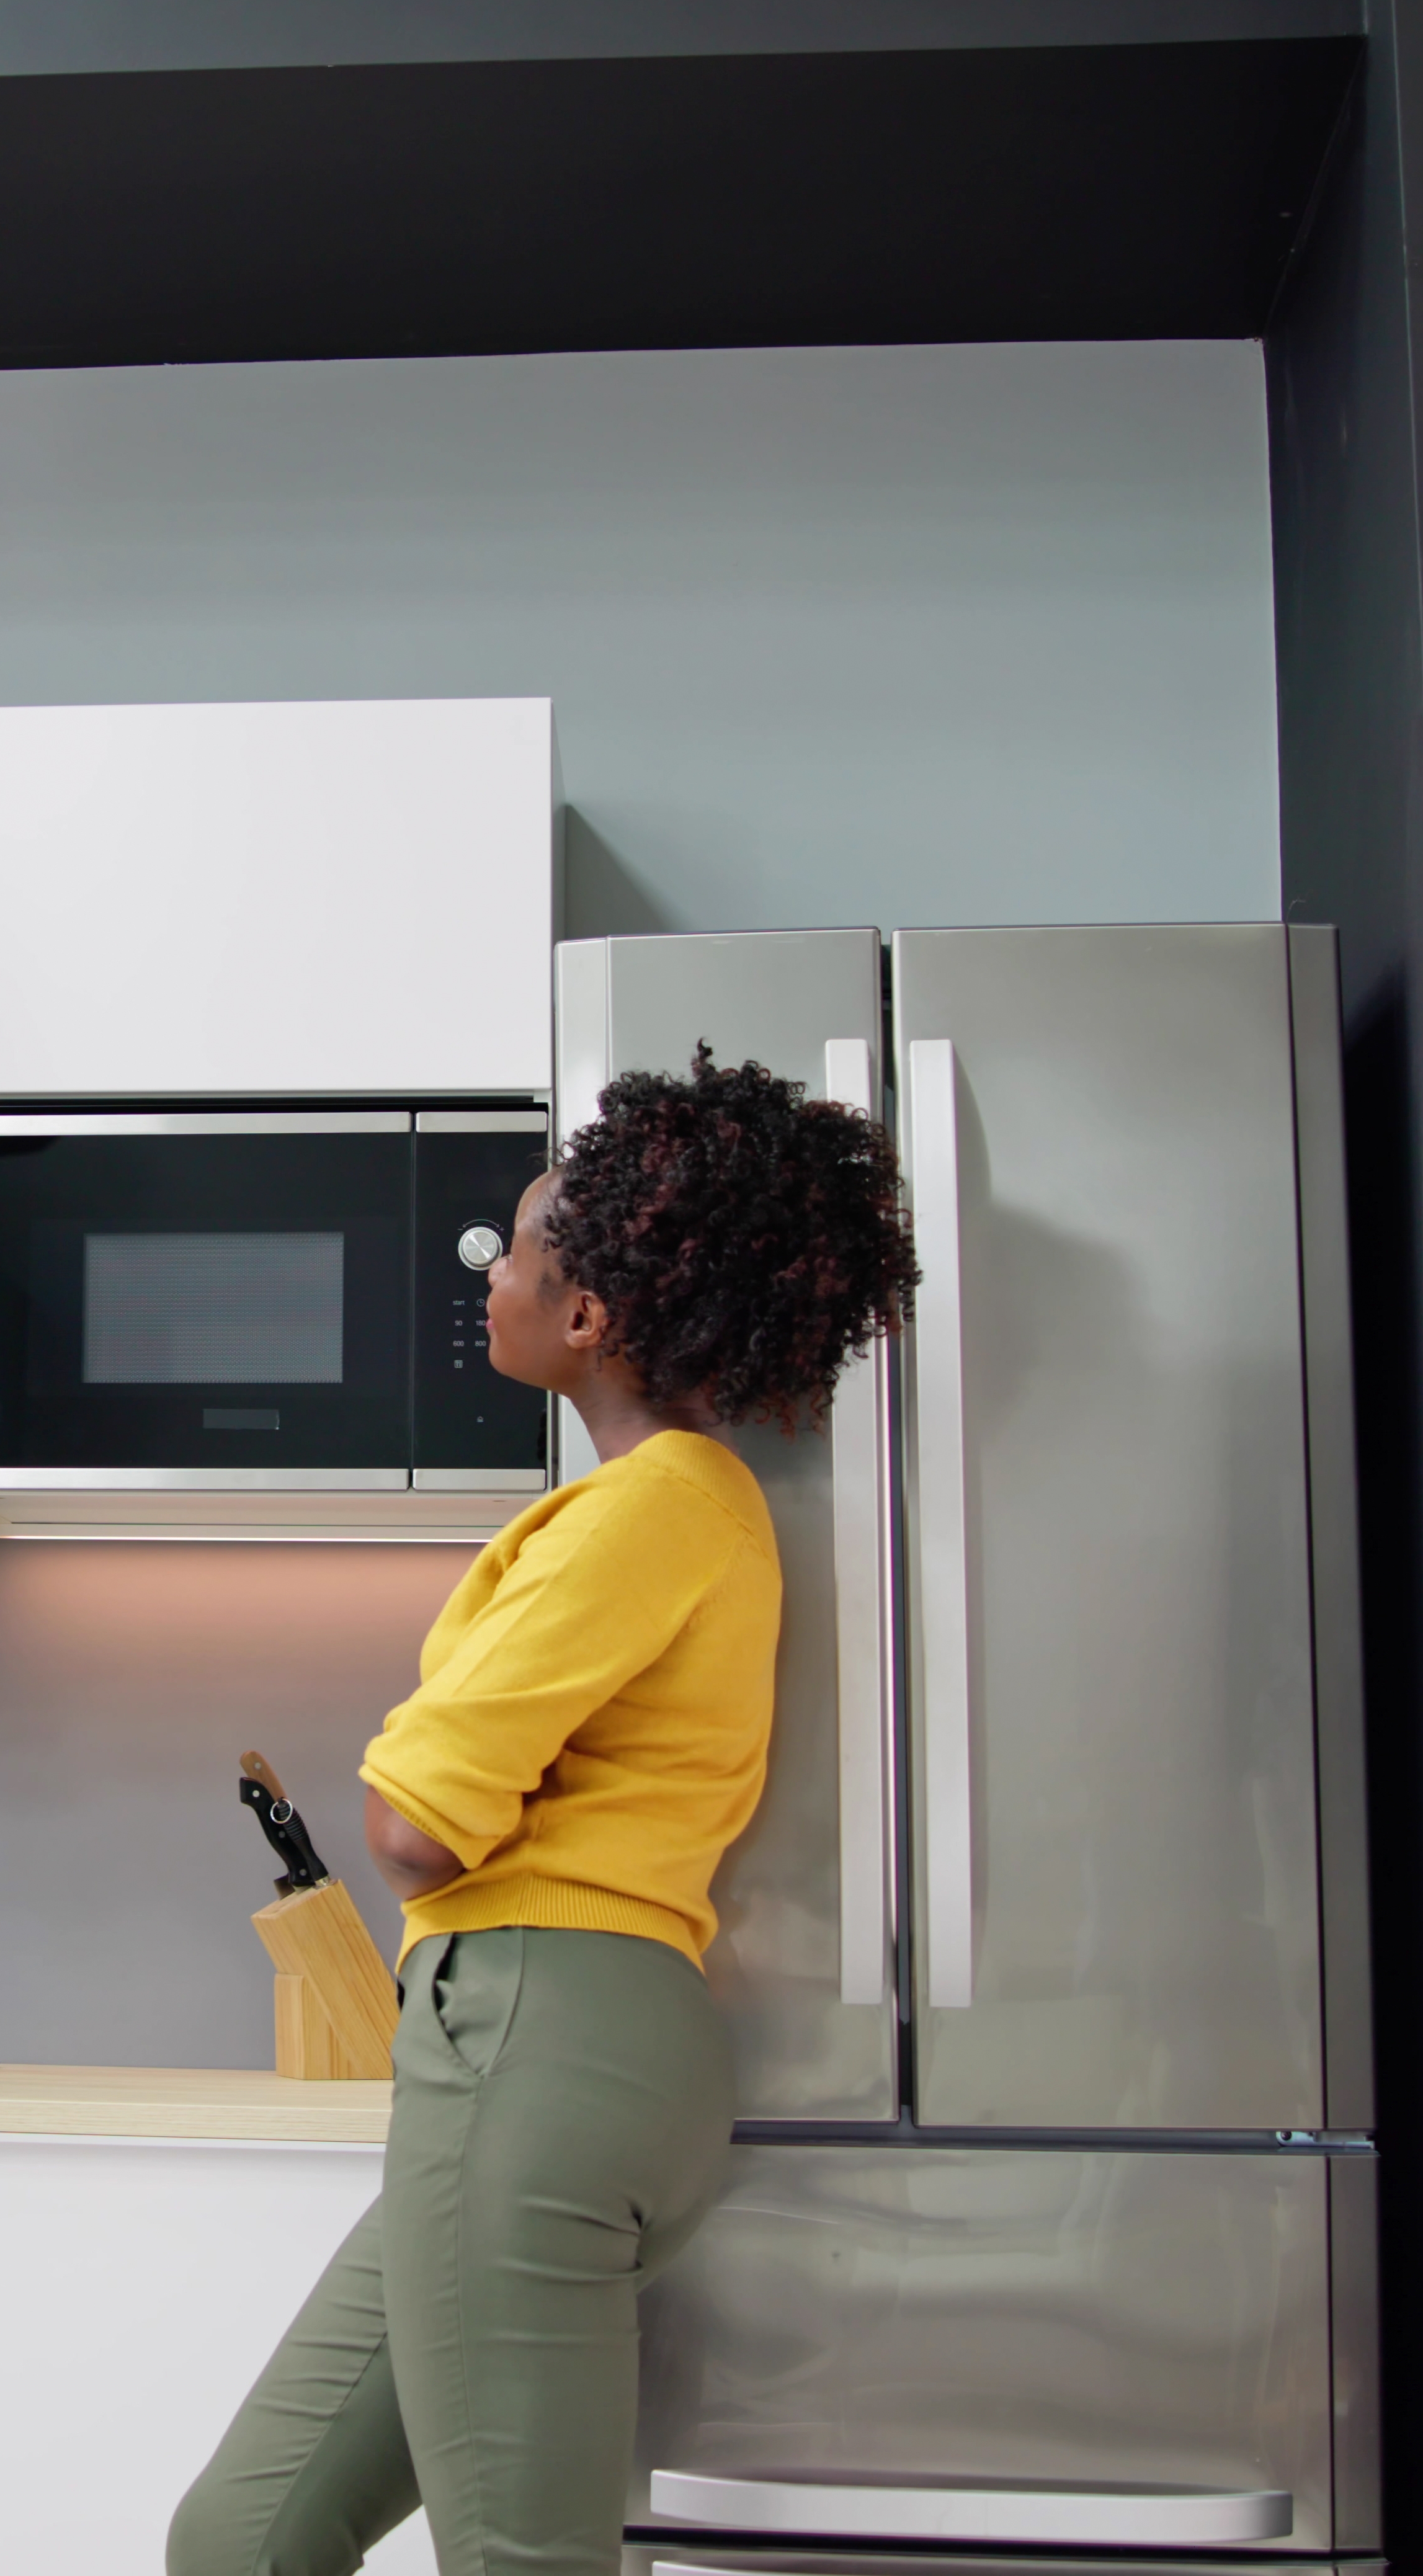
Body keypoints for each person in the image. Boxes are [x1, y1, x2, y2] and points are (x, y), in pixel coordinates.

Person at [166, 1053, 916, 2576]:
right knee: (241, 2538)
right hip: (575, 2048)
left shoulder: (652, 1504)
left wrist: (412, 1773)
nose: (488, 1276)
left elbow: (414, 1823)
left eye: (511, 1250)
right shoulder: (690, 1506)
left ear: (585, 1316)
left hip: (530, 2039)